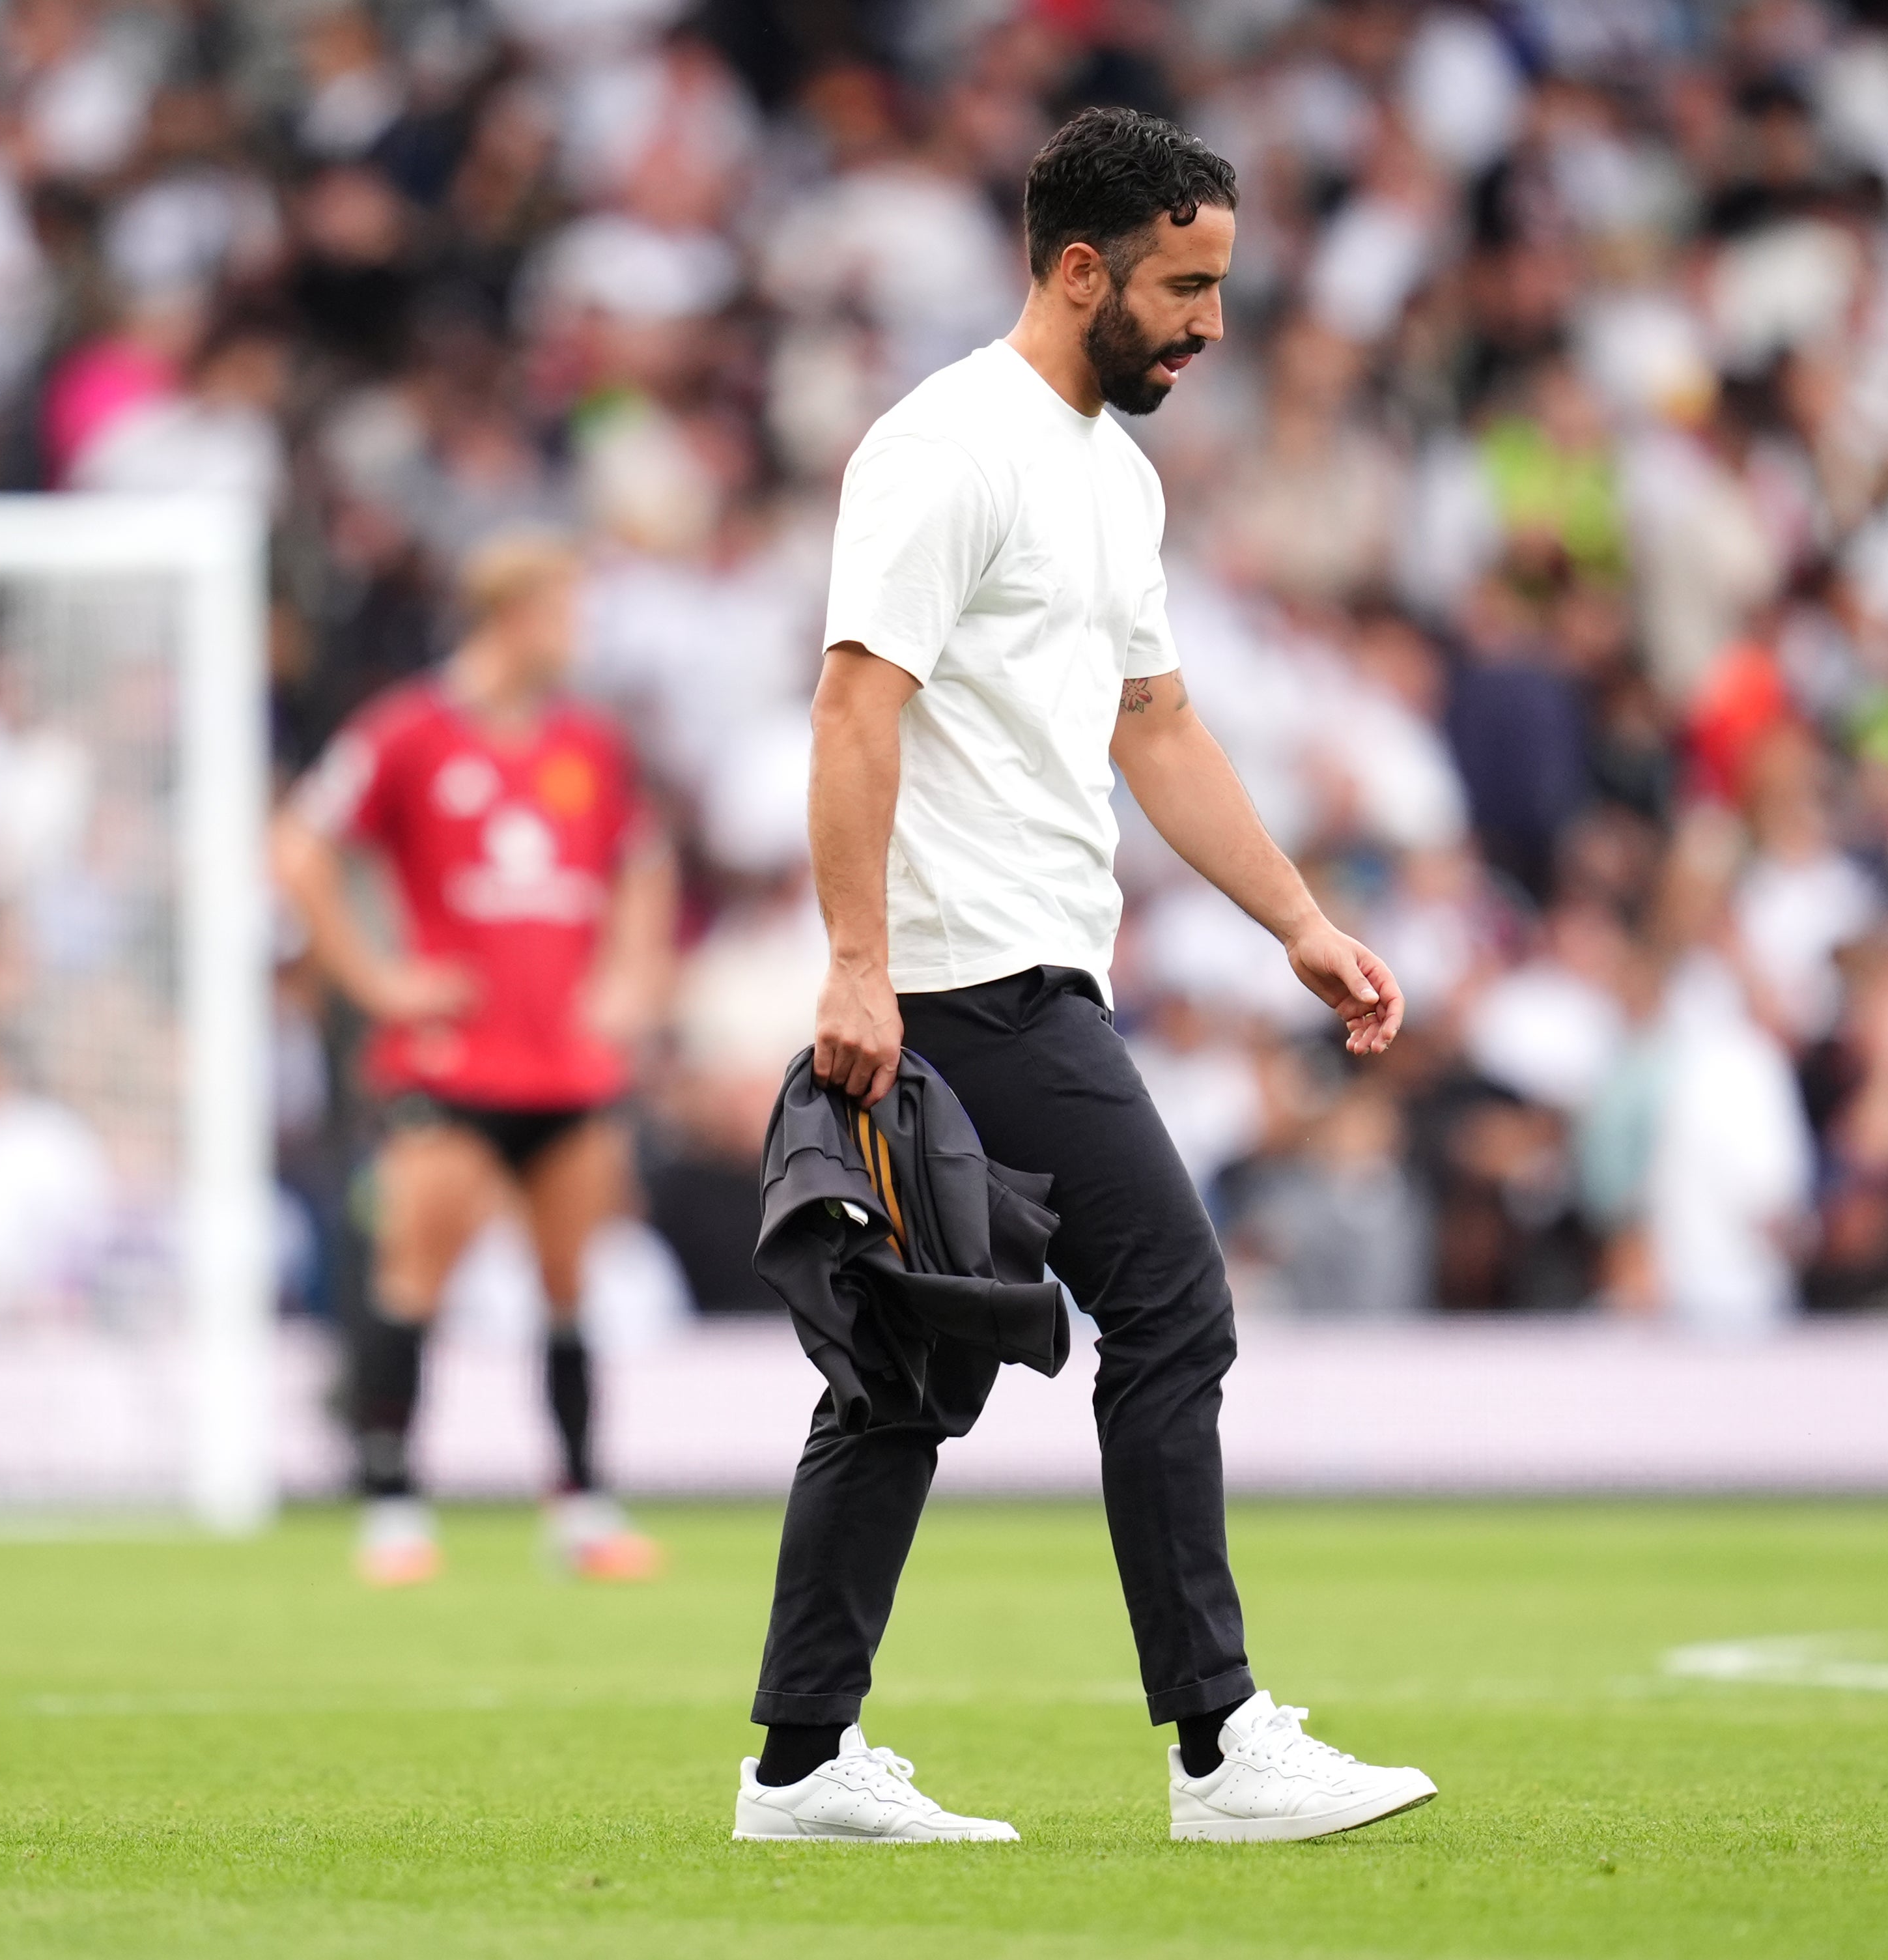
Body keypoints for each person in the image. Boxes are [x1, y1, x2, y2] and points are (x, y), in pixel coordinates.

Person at [731, 107, 1439, 1847]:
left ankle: (800, 1763)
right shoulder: (944, 448)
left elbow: (1157, 722)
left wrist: (1296, 920)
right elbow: (853, 704)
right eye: (1183, 288)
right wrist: (855, 962)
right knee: (1174, 1306)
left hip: (1025, 966)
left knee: (906, 1371)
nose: (1210, 324)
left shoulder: (1114, 474)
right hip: (967, 981)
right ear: (1076, 270)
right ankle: (1218, 1744)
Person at [276, 531, 675, 1586]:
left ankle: (581, 1504)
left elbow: (644, 861)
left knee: (568, 1282)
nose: (579, 633)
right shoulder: (407, 732)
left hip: (567, 1062)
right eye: (567, 610)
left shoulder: (589, 744)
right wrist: (374, 980)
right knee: (415, 1275)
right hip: (450, 1061)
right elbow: (298, 846)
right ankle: (392, 1504)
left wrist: (632, 979)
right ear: (513, 614)